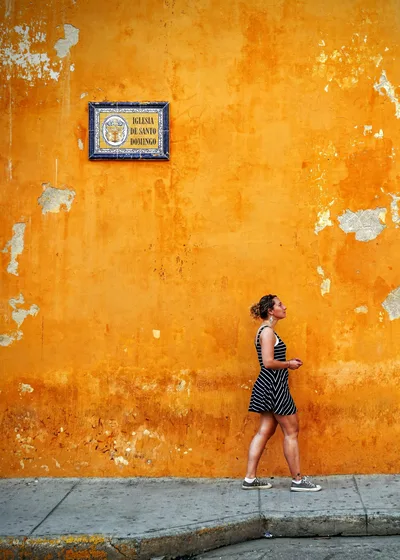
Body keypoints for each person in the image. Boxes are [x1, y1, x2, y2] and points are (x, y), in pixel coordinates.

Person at [242, 294, 321, 492]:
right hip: (274, 385)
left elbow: (269, 359)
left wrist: (286, 362)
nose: (284, 307)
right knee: (292, 431)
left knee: (265, 431)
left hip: (268, 385)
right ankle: (298, 480)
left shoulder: (265, 331)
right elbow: (268, 362)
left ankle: (250, 479)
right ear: (271, 310)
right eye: (280, 304)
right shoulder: (268, 332)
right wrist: (289, 364)